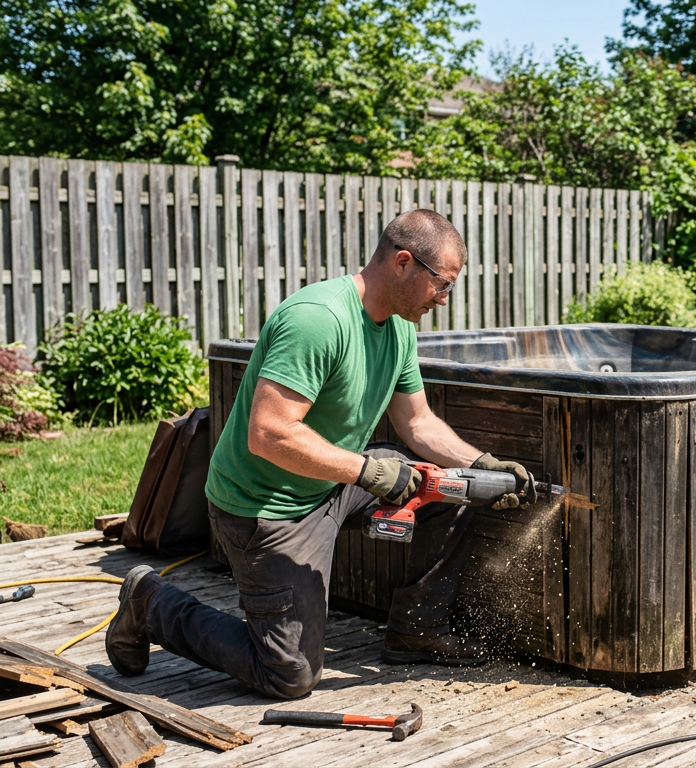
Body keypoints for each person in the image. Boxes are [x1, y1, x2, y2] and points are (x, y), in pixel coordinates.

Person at [104, 209, 532, 698]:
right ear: (403, 262)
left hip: (333, 481)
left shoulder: (397, 327)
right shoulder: (318, 320)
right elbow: (268, 433)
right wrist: (367, 471)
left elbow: (417, 423)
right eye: (442, 284)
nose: (444, 298)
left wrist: (479, 466)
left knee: (451, 488)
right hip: (266, 508)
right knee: (288, 676)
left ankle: (416, 630)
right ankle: (151, 602)